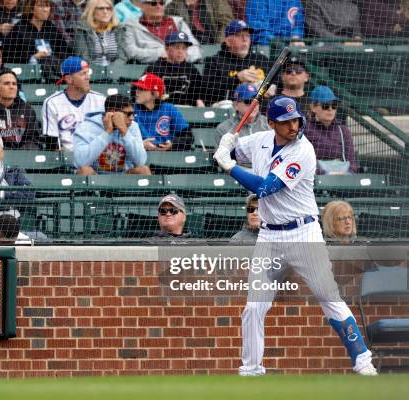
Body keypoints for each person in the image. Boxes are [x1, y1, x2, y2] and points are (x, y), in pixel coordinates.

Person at [212, 95, 377, 376]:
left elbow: (265, 187)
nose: (293, 125)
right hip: (269, 237)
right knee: (254, 307)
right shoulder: (261, 140)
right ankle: (251, 369)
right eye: (286, 121)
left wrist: (229, 166)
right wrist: (226, 146)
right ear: (273, 123)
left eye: (296, 119)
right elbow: (233, 152)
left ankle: (363, 360)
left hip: (303, 233)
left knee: (328, 297)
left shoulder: (303, 150)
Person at [73, 94, 150, 175]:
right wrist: (107, 133)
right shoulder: (86, 127)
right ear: (112, 113)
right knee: (84, 171)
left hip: (123, 175)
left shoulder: (133, 126)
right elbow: (80, 162)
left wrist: (124, 131)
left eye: (133, 114)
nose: (132, 118)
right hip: (96, 176)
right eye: (128, 114)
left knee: (143, 170)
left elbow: (141, 161)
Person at [41, 56, 105, 151]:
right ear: (69, 79)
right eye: (83, 74)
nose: (88, 77)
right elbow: (52, 144)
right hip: (68, 160)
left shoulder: (101, 100)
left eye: (88, 73)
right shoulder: (52, 103)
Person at [201, 19, 270, 105]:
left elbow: (277, 83)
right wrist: (237, 78)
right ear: (228, 41)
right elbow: (206, 92)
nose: (245, 39)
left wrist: (271, 88)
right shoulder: (214, 62)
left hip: (261, 109)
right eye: (239, 35)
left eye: (247, 35)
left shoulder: (261, 59)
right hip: (229, 109)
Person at [0, 69, 42, 150]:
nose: (11, 87)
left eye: (14, 84)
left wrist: (19, 155)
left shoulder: (27, 110)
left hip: (24, 157)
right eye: (6, 84)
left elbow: (34, 140)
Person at [2, 0, 71, 76]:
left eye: (47, 6)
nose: (45, 9)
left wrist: (53, 58)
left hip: (53, 73)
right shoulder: (19, 29)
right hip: (26, 74)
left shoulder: (52, 28)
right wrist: (33, 57)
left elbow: (64, 52)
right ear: (31, 8)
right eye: (41, 6)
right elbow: (8, 56)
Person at [123, 0, 201, 64]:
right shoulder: (131, 26)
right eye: (153, 3)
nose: (158, 6)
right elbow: (130, 52)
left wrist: (176, 56)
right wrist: (159, 53)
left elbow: (196, 49)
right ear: (142, 6)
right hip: (149, 71)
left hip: (180, 70)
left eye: (162, 3)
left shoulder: (178, 23)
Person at [305, 86, 357, 175]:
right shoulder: (305, 129)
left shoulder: (343, 130)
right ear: (313, 107)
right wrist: (325, 173)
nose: (330, 109)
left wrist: (347, 173)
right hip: (316, 179)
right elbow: (304, 162)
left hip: (343, 177)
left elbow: (352, 163)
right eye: (325, 105)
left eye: (334, 105)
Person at [132, 73, 191, 151]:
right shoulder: (131, 110)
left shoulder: (169, 109)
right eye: (137, 88)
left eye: (142, 89)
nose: (137, 92)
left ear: (155, 94)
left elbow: (187, 137)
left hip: (167, 156)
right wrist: (140, 144)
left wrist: (172, 145)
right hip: (140, 155)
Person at [145, 31, 204, 107]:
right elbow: (139, 92)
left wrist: (199, 99)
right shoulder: (154, 69)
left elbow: (200, 92)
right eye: (176, 47)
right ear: (166, 48)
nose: (180, 52)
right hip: (160, 109)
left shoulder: (191, 69)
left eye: (184, 48)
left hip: (186, 110)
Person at [72, 0, 128, 67]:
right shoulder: (82, 29)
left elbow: (123, 56)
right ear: (92, 11)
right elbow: (83, 57)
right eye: (101, 8)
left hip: (116, 73)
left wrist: (112, 71)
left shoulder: (119, 29)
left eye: (108, 8)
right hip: (90, 73)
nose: (105, 11)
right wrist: (99, 72)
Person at [164, 0, 234, 44]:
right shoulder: (173, 6)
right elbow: (173, 29)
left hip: (214, 41)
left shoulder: (216, 2)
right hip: (189, 45)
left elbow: (227, 22)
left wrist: (219, 43)